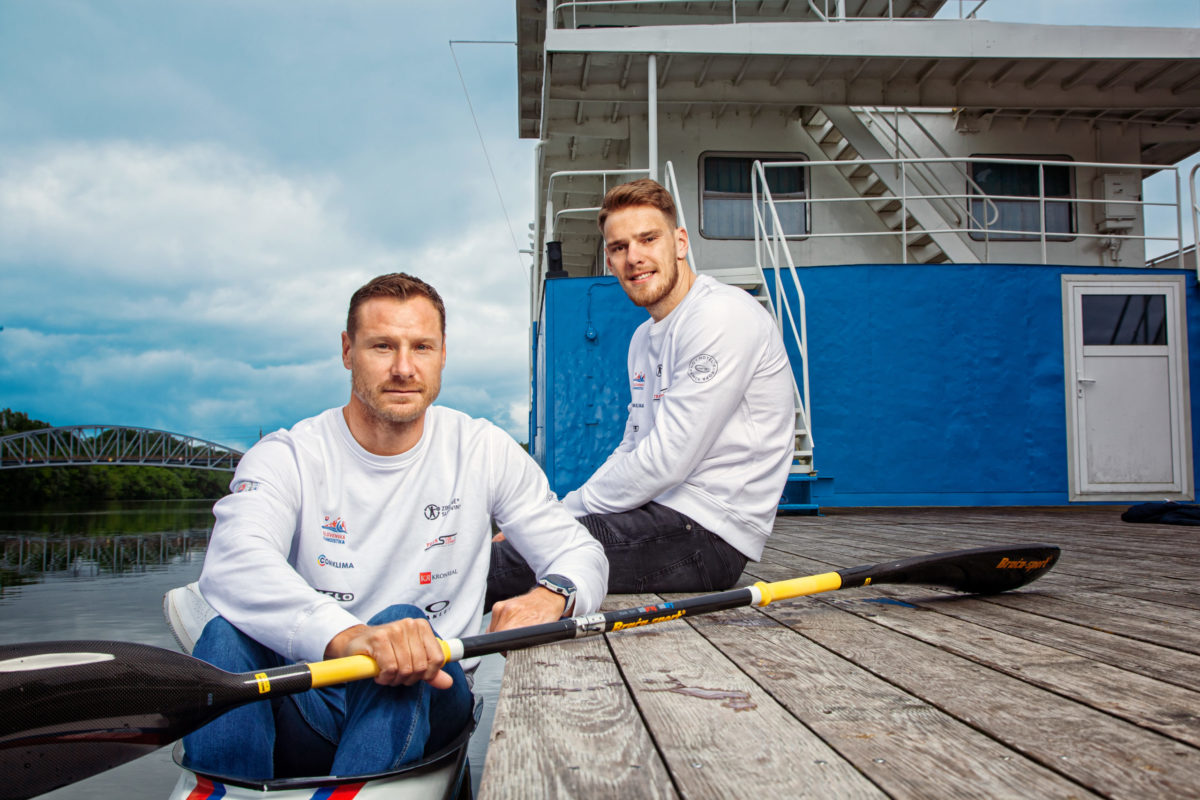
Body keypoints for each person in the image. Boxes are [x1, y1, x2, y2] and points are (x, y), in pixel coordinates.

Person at [185, 273, 608, 780]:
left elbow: (582, 554)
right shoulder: (287, 455)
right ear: (347, 351)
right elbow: (234, 561)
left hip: (433, 700)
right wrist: (353, 638)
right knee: (224, 636)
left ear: (443, 353)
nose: (404, 368)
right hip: (314, 702)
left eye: (421, 347)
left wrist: (554, 595)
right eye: (382, 346)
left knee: (405, 622)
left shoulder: (482, 449)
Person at [489, 178, 794, 602]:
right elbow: (632, 446)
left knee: (512, 559)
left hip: (709, 534)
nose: (634, 257)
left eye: (648, 239)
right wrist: (555, 514)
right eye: (618, 247)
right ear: (610, 262)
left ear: (680, 242)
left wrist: (556, 517)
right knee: (520, 546)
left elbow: (667, 459)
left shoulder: (721, 315)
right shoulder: (643, 338)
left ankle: (391, 645)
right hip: (662, 511)